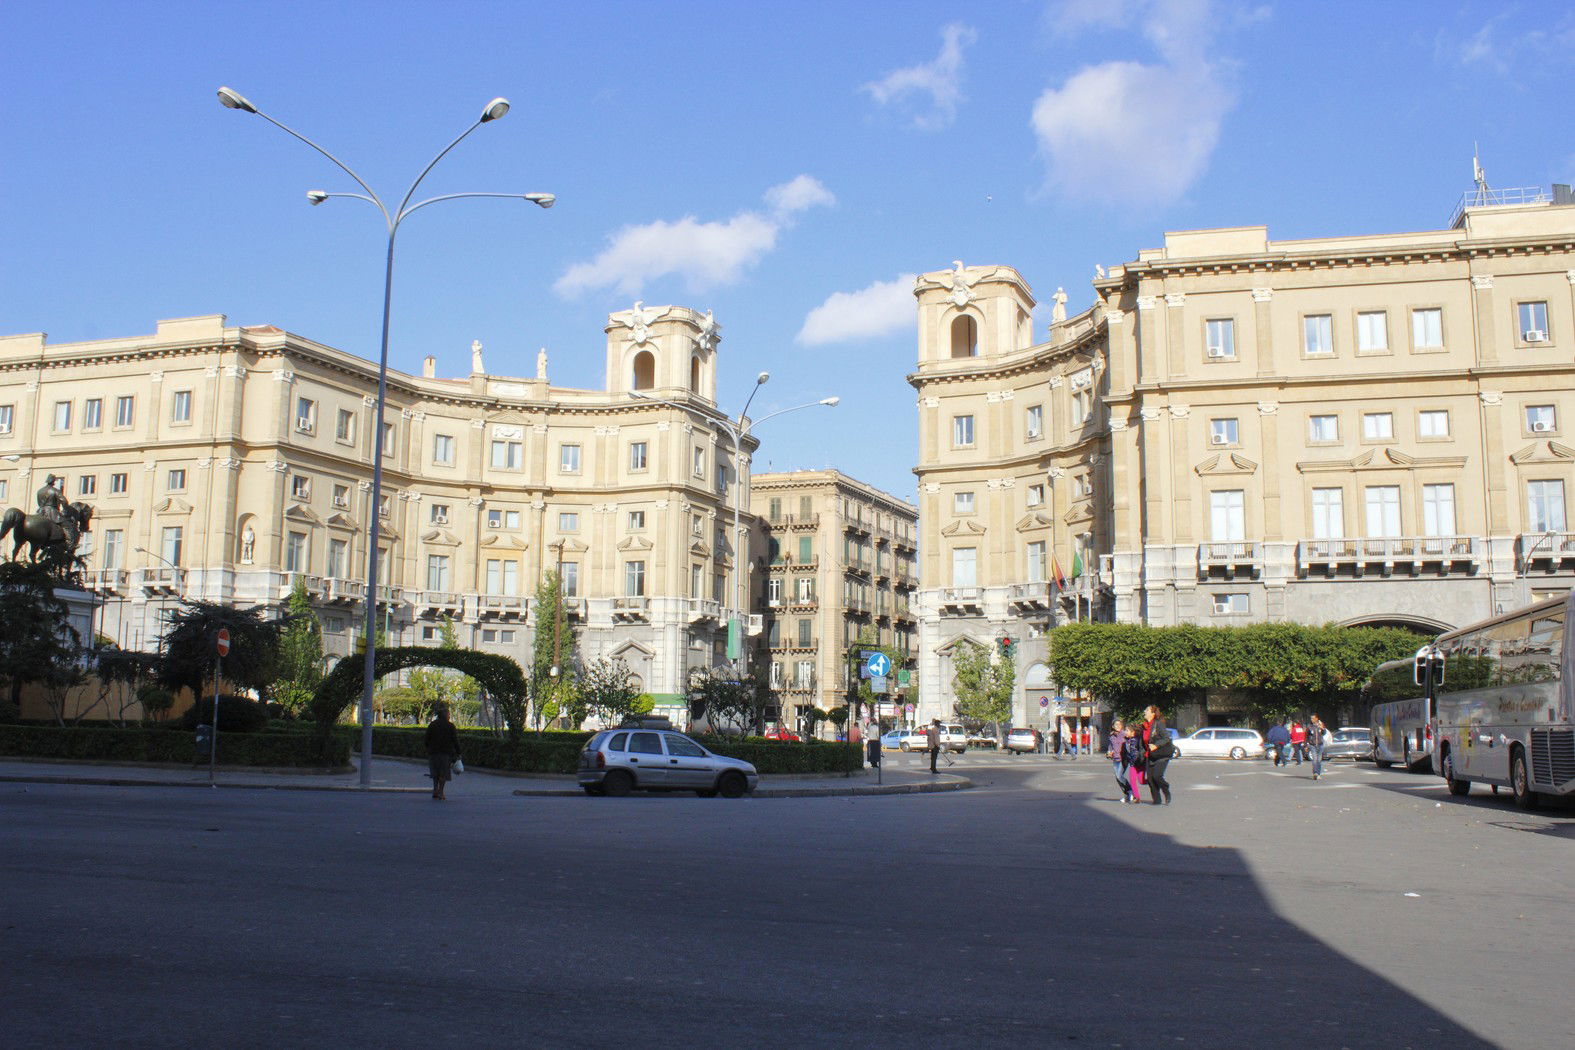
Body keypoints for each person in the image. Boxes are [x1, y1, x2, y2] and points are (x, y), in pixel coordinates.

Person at [424, 703, 462, 800]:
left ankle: (435, 790)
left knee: (435, 772)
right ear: (445, 715)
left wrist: (428, 749)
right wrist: (458, 752)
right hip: (446, 753)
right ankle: (441, 791)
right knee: (443, 773)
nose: (449, 716)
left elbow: (426, 739)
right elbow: (455, 740)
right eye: (449, 714)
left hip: (433, 753)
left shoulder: (432, 725)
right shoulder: (450, 726)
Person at [1142, 705, 1173, 805]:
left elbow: (1166, 738)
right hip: (1150, 755)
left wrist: (1156, 745)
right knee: (1150, 779)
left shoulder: (1158, 724)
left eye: (1147, 710)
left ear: (1153, 713)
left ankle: (1166, 789)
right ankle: (1157, 799)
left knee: (1157, 776)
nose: (1144, 711)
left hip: (1161, 754)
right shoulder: (1144, 726)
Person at [1107, 719, 1133, 802]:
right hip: (1115, 759)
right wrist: (1109, 753)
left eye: (1119, 724)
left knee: (1119, 776)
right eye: (1116, 725)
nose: (1118, 726)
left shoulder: (1124, 734)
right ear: (1113, 726)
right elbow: (1110, 747)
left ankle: (1130, 791)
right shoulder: (1111, 736)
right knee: (1118, 778)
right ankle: (1127, 794)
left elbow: (1131, 742)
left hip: (1124, 758)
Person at [1121, 724, 1146, 804]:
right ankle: (1137, 797)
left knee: (1141, 781)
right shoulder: (1126, 741)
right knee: (1132, 780)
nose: (1125, 732)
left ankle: (1153, 782)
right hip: (1132, 764)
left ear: (1133, 732)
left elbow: (1140, 751)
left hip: (1140, 764)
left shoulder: (1137, 740)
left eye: (1127, 730)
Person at [1308, 715, 1329, 780]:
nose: (1312, 719)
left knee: (1319, 760)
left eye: (1313, 718)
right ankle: (1315, 773)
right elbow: (1306, 735)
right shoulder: (1309, 727)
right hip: (1313, 745)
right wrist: (1306, 744)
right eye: (1311, 718)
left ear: (1316, 718)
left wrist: (1322, 728)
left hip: (1320, 745)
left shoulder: (1321, 724)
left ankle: (1318, 774)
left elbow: (1324, 733)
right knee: (1314, 759)